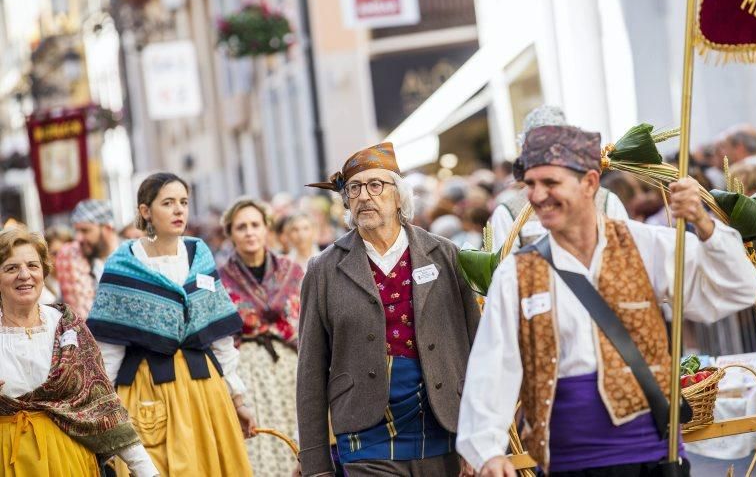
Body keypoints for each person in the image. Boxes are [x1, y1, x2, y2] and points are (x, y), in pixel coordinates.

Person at [456, 123, 756, 476]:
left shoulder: (645, 243)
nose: (538, 196)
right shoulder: (517, 273)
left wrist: (703, 224)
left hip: (652, 455)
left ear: (589, 183)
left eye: (550, 183)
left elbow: (739, 288)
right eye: (531, 185)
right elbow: (493, 363)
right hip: (568, 463)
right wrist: (487, 449)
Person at [297, 142, 482, 477]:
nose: (365, 196)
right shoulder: (323, 270)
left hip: (442, 424)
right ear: (347, 201)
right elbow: (309, 370)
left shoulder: (445, 255)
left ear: (399, 197)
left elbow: (477, 345)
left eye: (376, 185)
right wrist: (315, 464)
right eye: (355, 188)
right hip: (364, 432)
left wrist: (483, 439)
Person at [86, 172, 255, 476]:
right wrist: (105, 414)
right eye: (168, 203)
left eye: (183, 202)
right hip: (148, 390)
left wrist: (238, 397)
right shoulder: (123, 265)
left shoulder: (199, 254)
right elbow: (108, 349)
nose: (179, 210)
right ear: (145, 211)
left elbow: (219, 336)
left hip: (204, 389)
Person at [0, 227, 157, 476]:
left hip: (70, 460)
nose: (24, 275)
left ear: (43, 271)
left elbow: (101, 404)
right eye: (11, 268)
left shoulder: (66, 324)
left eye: (32, 265)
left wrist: (144, 468)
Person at [219, 197, 305, 476]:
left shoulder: (292, 271)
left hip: (291, 368)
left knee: (299, 444)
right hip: (246, 371)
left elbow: (305, 321)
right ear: (230, 233)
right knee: (259, 448)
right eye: (241, 227)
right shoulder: (218, 278)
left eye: (255, 224)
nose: (249, 232)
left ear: (266, 228)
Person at [489, 106, 628, 253]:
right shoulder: (508, 212)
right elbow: (504, 268)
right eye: (537, 148)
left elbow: (627, 257)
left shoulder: (606, 201)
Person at [55, 199, 120, 318]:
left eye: (85, 230)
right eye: (77, 231)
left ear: (107, 228)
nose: (78, 237)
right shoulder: (73, 257)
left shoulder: (128, 256)